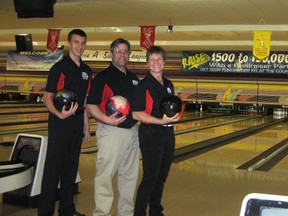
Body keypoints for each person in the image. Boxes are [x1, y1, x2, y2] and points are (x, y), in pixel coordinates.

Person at [38, 29, 92, 216]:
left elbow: (83, 101)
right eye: (76, 42)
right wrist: (58, 115)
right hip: (60, 124)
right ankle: (45, 212)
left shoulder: (86, 70)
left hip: (76, 124)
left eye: (83, 43)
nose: (80, 46)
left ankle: (67, 209)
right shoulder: (59, 68)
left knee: (71, 167)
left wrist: (86, 125)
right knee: (53, 169)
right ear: (69, 43)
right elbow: (47, 97)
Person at [86, 38, 140, 216]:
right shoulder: (103, 78)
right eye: (118, 51)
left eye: (125, 51)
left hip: (132, 132)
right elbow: (91, 105)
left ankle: (126, 212)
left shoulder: (133, 78)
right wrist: (107, 120)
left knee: (129, 176)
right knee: (105, 176)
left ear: (129, 54)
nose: (122, 55)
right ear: (111, 54)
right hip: (111, 132)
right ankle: (101, 213)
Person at [132, 46, 180, 216]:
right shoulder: (143, 85)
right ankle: (139, 213)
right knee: (150, 177)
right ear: (147, 63)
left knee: (161, 177)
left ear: (164, 62)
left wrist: (173, 117)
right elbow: (137, 113)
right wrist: (160, 121)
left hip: (167, 133)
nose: (156, 62)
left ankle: (155, 211)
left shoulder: (168, 84)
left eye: (159, 59)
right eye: (152, 59)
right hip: (151, 133)